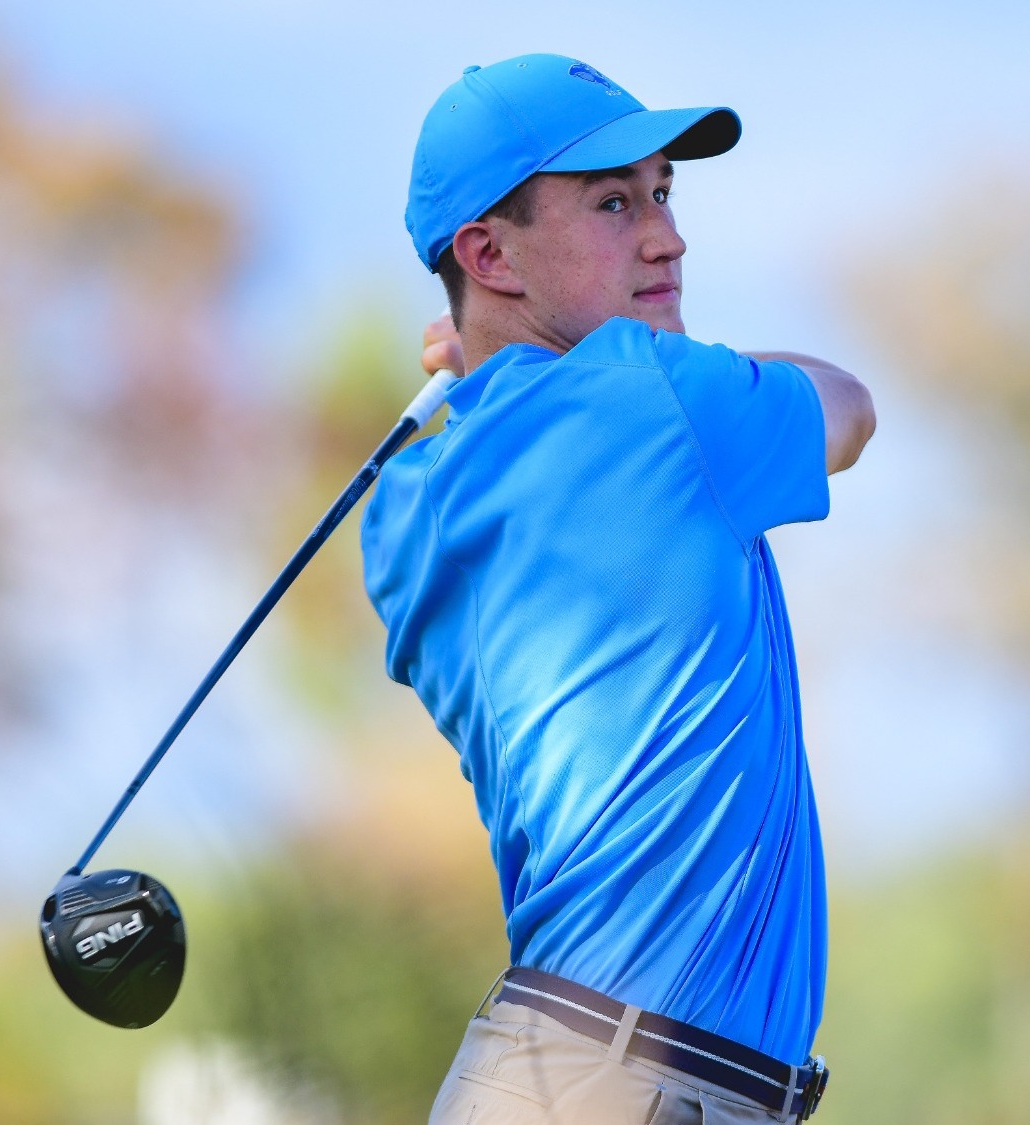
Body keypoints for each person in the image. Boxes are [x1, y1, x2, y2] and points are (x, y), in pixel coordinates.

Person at [360, 55, 876, 1124]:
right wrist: (511, 357)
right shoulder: (651, 392)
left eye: (660, 193)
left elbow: (535, 435)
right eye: (610, 202)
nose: (665, 235)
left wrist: (485, 358)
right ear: (487, 253)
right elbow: (847, 407)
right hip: (629, 1087)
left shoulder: (401, 510)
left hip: (562, 1073)